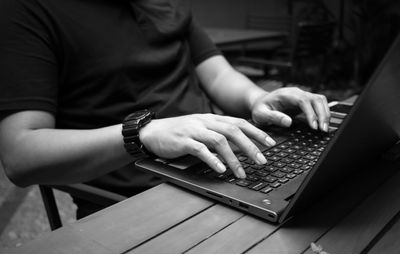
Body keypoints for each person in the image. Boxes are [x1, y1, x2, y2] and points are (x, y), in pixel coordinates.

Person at [0, 0, 330, 218]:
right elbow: (20, 155)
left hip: (224, 173)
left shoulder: (165, 3)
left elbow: (217, 73)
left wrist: (257, 99)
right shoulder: (25, 11)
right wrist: (142, 135)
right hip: (132, 202)